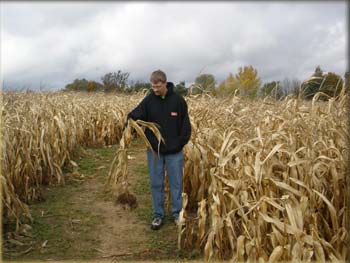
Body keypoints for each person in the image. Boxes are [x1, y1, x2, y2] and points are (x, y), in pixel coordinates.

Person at [127, 70, 191, 230]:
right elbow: (134, 115)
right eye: (152, 86)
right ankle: (158, 215)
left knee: (176, 184)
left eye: (157, 86)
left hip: (174, 152)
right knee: (156, 184)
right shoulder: (149, 101)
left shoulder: (178, 101)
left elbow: (185, 126)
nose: (154, 90)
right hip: (154, 152)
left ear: (164, 83)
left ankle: (177, 214)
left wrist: (179, 144)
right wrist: (129, 125)